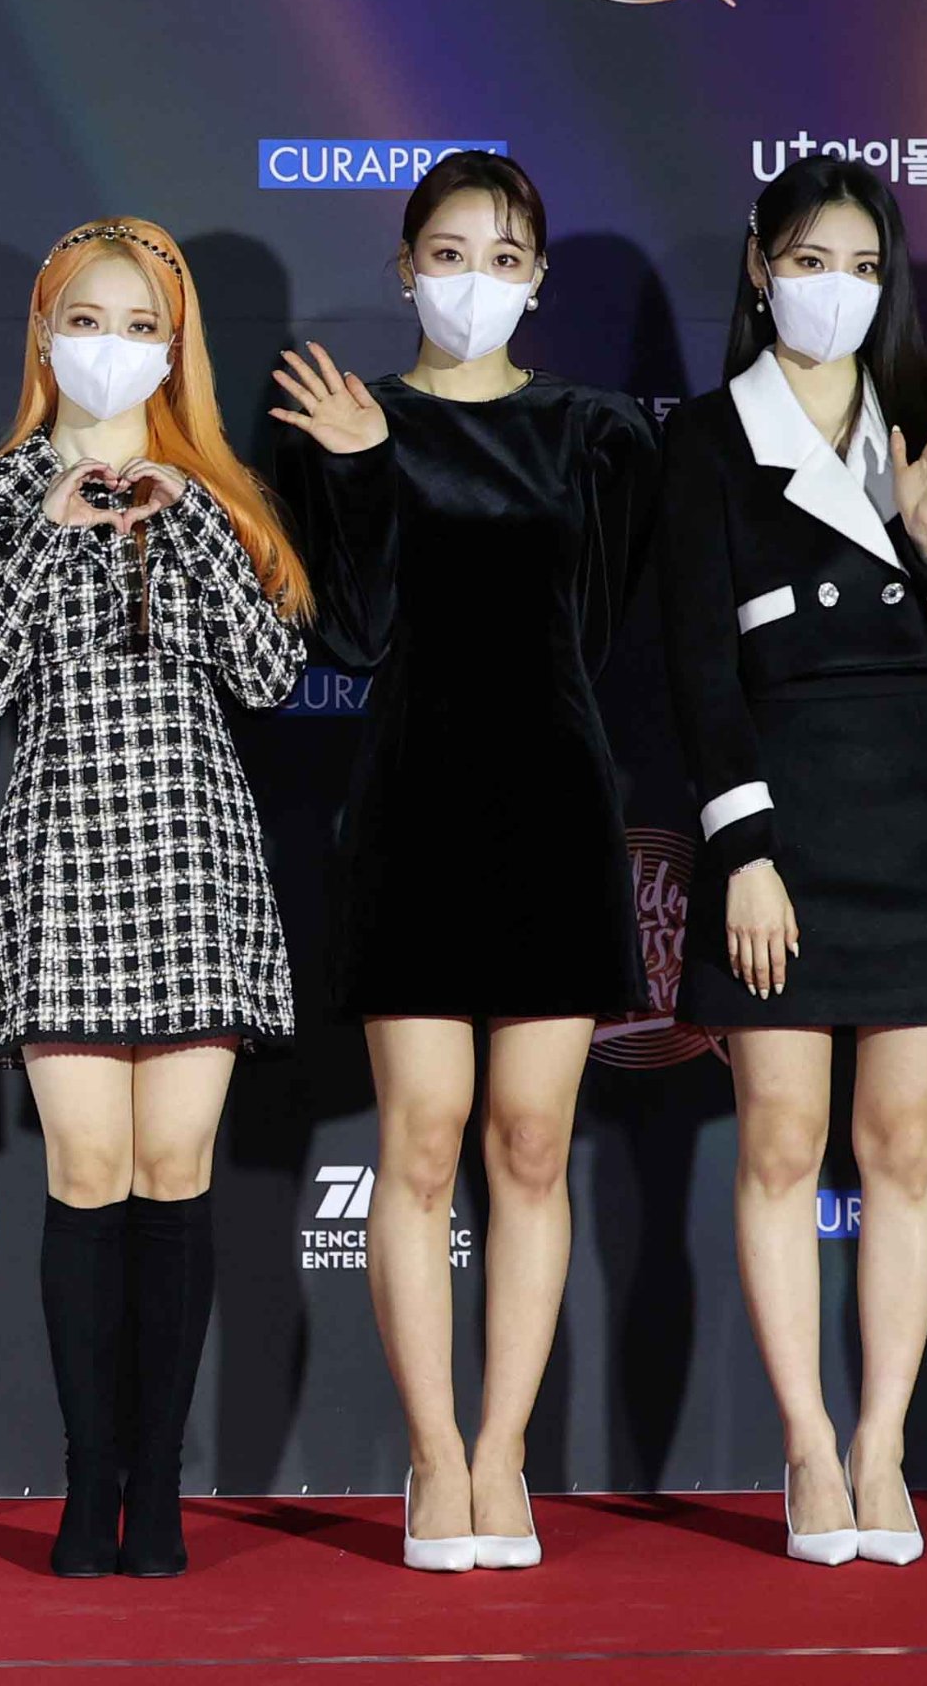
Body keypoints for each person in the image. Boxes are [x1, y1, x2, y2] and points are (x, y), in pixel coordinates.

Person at [263, 148, 656, 1572]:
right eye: (448, 252)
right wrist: (363, 468)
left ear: (536, 278)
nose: (473, 278)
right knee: (421, 1137)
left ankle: (505, 1457)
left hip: (551, 800)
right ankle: (433, 1460)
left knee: (534, 1142)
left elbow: (598, 632)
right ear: (404, 267)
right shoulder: (347, 421)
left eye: (501, 256)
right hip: (412, 807)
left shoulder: (598, 432)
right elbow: (354, 634)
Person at [651, 157, 927, 1567]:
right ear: (759, 266)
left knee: (906, 1146)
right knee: (784, 1141)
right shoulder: (704, 439)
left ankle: (883, 1447)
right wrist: (743, 853)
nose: (835, 290)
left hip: (925, 822)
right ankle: (807, 1443)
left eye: (861, 266)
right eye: (809, 261)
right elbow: (697, 668)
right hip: (783, 826)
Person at [0, 216, 306, 1581]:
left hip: (194, 856)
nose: (113, 347)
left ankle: (159, 1485)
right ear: (46, 335)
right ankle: (86, 1478)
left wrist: (186, 514)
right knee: (87, 1172)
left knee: (174, 1171)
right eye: (88, 322)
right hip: (62, 857)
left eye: (141, 326)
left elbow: (268, 674)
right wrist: (51, 531)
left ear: (174, 348)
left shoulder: (218, 492)